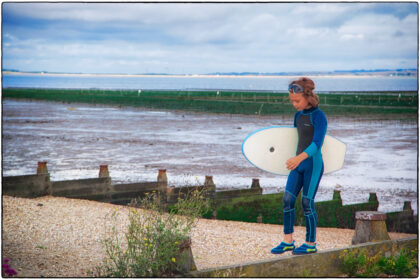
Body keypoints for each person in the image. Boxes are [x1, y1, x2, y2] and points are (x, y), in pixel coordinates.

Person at [271, 77, 327, 255]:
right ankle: (288, 241)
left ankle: (310, 244)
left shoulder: (319, 116)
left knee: (307, 202)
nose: (294, 104)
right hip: (298, 164)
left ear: (308, 97)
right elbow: (295, 139)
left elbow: (317, 143)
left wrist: (298, 159)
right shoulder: (298, 116)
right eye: (292, 101)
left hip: (312, 164)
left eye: (297, 100)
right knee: (287, 200)